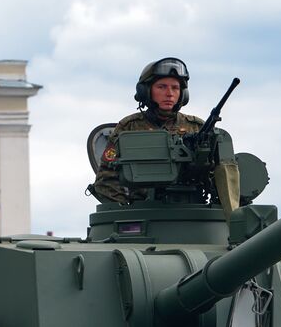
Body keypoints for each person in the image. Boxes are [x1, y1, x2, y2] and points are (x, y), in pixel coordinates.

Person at [92, 58, 238, 212]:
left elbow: (220, 175)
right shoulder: (129, 128)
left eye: (175, 88)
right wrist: (127, 210)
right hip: (144, 212)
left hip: (193, 210)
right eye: (162, 87)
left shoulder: (198, 128)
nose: (169, 94)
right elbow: (106, 178)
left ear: (183, 94)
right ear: (146, 91)